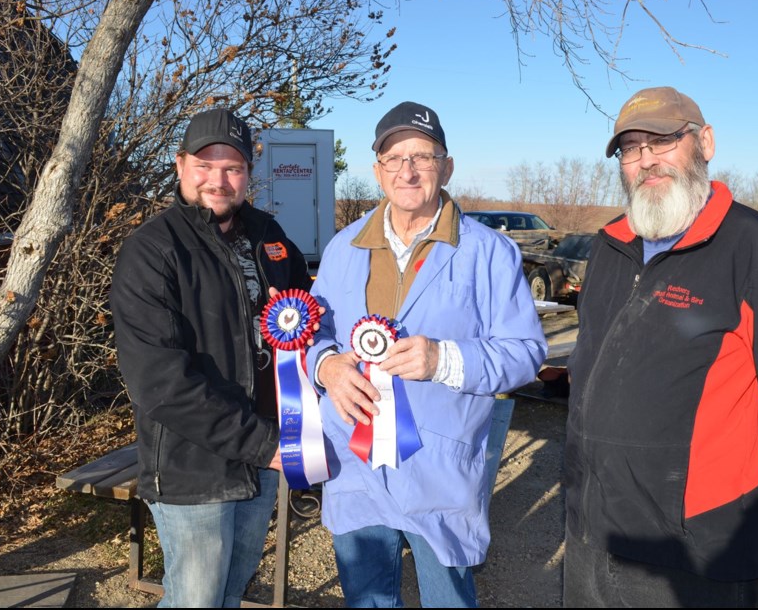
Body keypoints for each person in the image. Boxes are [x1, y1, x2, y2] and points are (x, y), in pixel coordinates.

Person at [564, 86, 758, 607]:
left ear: (704, 142)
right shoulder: (610, 246)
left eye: (663, 140)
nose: (647, 161)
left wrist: (719, 487)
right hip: (592, 530)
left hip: (693, 551)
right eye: (630, 149)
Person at [305, 101, 547, 607]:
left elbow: (526, 353)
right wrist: (326, 365)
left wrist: (444, 360)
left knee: (449, 602)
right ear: (377, 171)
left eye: (422, 156)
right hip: (356, 463)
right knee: (366, 600)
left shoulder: (489, 252)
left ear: (446, 166)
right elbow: (314, 333)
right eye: (393, 158)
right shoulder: (341, 249)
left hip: (440, 467)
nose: (407, 170)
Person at [110, 108, 313, 608]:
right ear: (180, 166)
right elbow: (159, 381)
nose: (218, 179)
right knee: (195, 599)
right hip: (192, 465)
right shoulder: (152, 251)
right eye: (205, 164)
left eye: (233, 167)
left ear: (248, 175)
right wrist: (263, 443)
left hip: (264, 453)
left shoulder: (269, 237)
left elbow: (304, 320)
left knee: (232, 586)